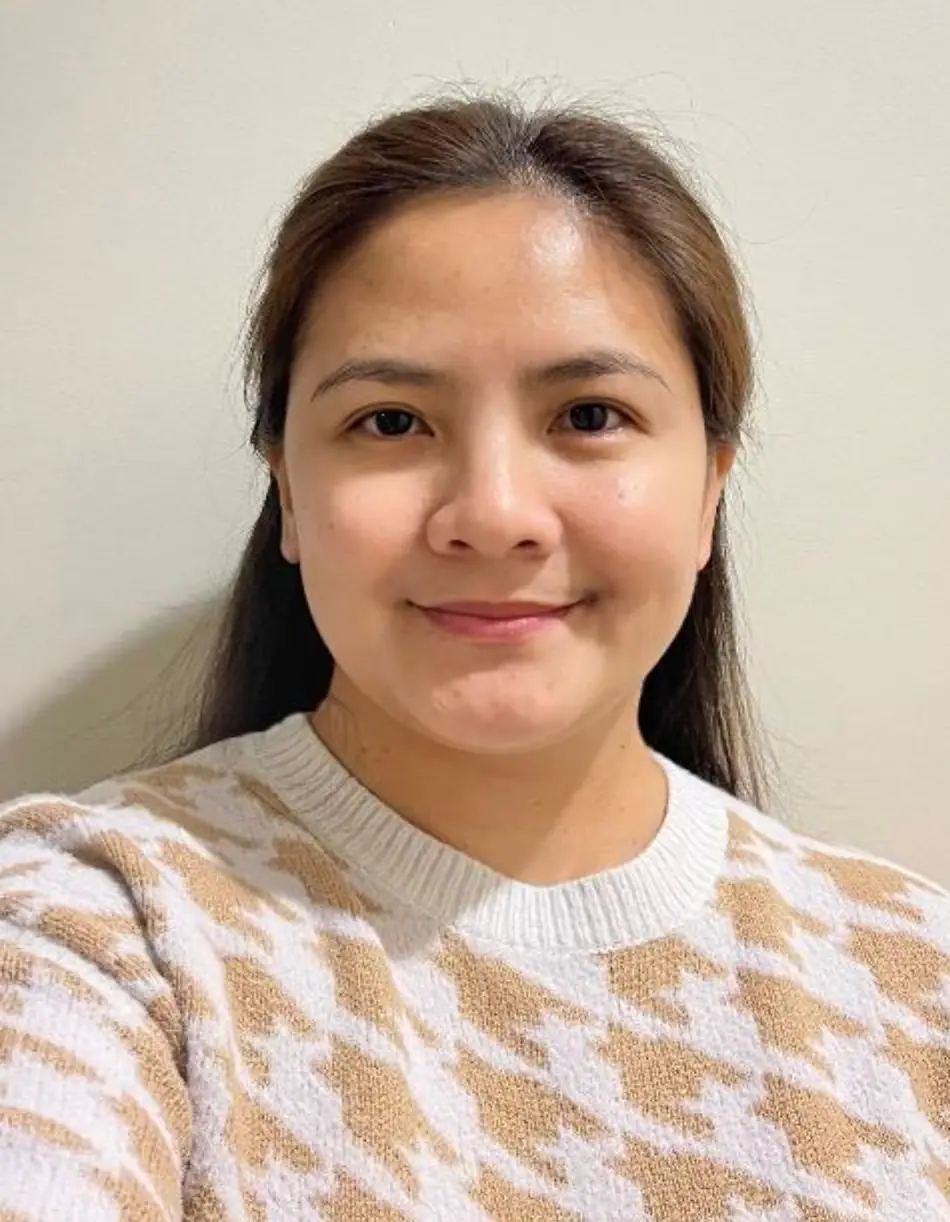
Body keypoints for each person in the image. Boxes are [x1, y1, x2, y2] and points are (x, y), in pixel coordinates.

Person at [0, 92, 947, 1222]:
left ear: (709, 488)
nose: (493, 516)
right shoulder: (95, 926)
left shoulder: (913, 979)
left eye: (588, 416)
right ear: (288, 491)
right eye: (391, 421)